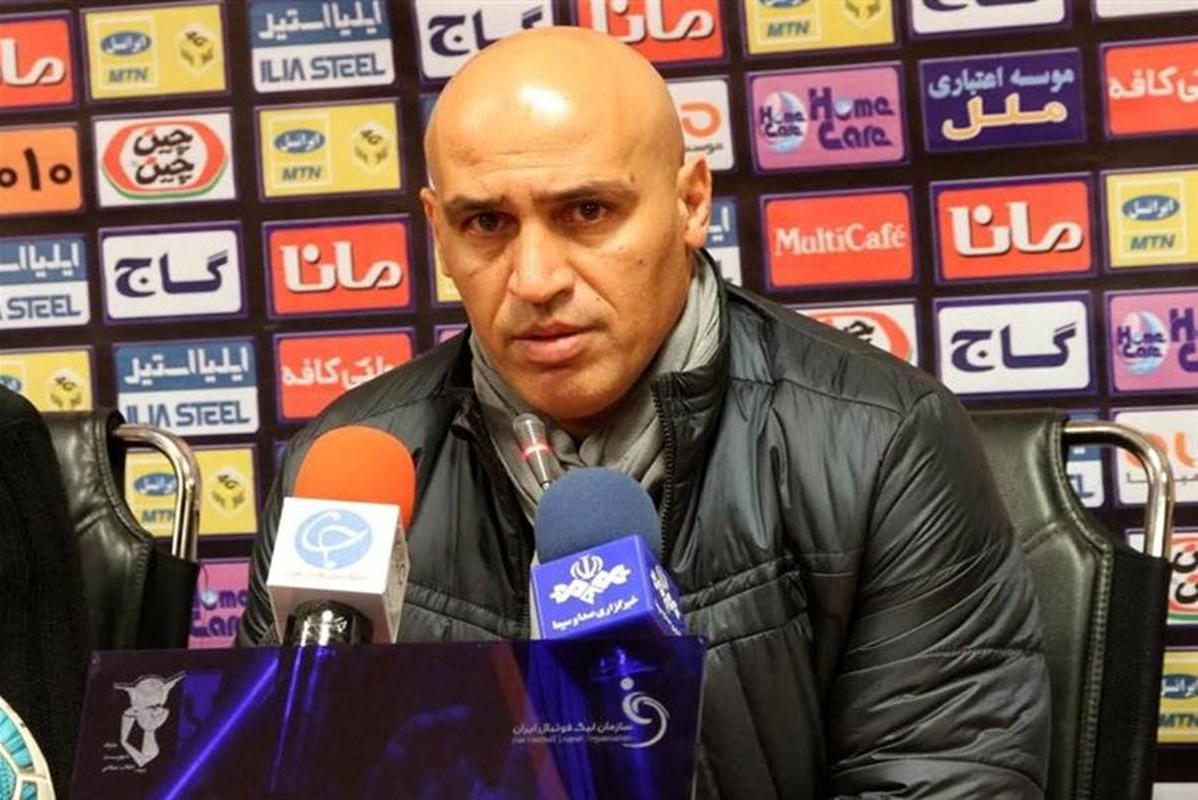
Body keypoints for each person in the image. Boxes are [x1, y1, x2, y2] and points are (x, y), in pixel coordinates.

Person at [239, 26, 1050, 798]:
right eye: (486, 222)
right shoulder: (345, 472)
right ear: (437, 233)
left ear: (690, 202)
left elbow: (944, 775)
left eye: (587, 212)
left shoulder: (884, 444)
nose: (535, 279)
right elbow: (267, 768)